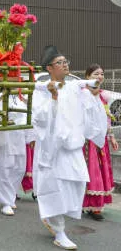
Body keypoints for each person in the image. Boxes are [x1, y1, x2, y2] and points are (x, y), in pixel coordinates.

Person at [32, 46, 107, 250]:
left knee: (76, 185)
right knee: (56, 188)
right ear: (49, 68)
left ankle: (53, 218)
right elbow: (39, 118)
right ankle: (59, 231)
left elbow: (87, 108)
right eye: (60, 62)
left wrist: (92, 92)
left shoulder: (73, 87)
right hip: (53, 149)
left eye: (66, 61)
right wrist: (53, 99)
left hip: (72, 148)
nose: (65, 65)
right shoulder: (41, 89)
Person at [82, 63, 119, 220]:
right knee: (89, 172)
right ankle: (85, 203)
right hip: (87, 141)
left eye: (102, 74)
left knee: (99, 172)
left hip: (101, 141)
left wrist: (111, 137)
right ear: (87, 77)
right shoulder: (83, 94)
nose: (100, 76)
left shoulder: (103, 96)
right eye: (96, 74)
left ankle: (95, 206)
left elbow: (106, 119)